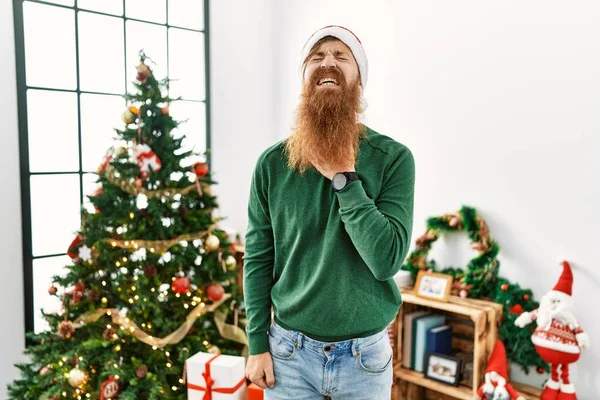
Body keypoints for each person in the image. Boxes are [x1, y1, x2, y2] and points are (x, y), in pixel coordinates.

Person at [243, 25, 416, 399]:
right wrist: (257, 344)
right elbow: (258, 258)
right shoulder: (272, 164)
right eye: (317, 56)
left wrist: (344, 178)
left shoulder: (394, 159)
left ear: (359, 80)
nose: (328, 62)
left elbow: (386, 260)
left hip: (364, 360)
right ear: (304, 79)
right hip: (288, 355)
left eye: (342, 56)